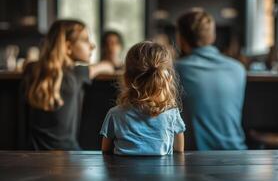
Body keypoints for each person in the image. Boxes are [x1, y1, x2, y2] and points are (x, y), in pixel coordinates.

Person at [23, 19, 114, 150]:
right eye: (85, 40)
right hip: (67, 154)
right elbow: (107, 66)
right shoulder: (78, 74)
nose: (92, 45)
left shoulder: (32, 70)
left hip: (32, 154)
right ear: (68, 47)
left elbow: (30, 64)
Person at [175, 8, 247, 150]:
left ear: (181, 38)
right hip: (237, 154)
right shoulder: (238, 69)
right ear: (212, 36)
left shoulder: (174, 70)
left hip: (193, 159)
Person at [100, 41, 185, 155]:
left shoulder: (114, 115)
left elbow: (106, 152)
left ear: (126, 79)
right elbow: (179, 152)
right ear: (168, 80)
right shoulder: (172, 115)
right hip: (162, 173)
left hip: (123, 173)